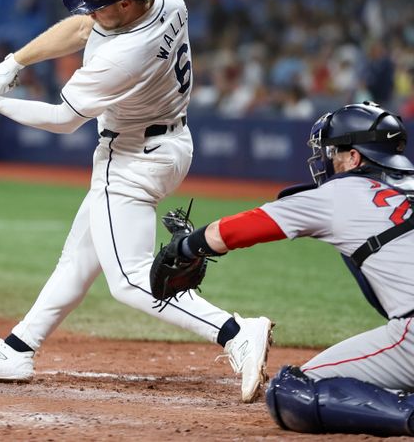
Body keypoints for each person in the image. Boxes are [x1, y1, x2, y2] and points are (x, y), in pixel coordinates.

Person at [0, 0, 273, 403]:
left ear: (125, 5)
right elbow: (83, 26)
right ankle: (17, 349)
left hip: (133, 156)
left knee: (130, 278)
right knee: (79, 259)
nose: (91, 12)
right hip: (169, 142)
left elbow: (63, 119)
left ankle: (236, 331)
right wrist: (15, 62)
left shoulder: (125, 56)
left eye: (100, 4)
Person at [157, 101, 414, 436]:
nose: (328, 160)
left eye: (335, 151)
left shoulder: (340, 193)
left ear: (354, 158)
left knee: (291, 391)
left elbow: (238, 229)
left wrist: (186, 247)